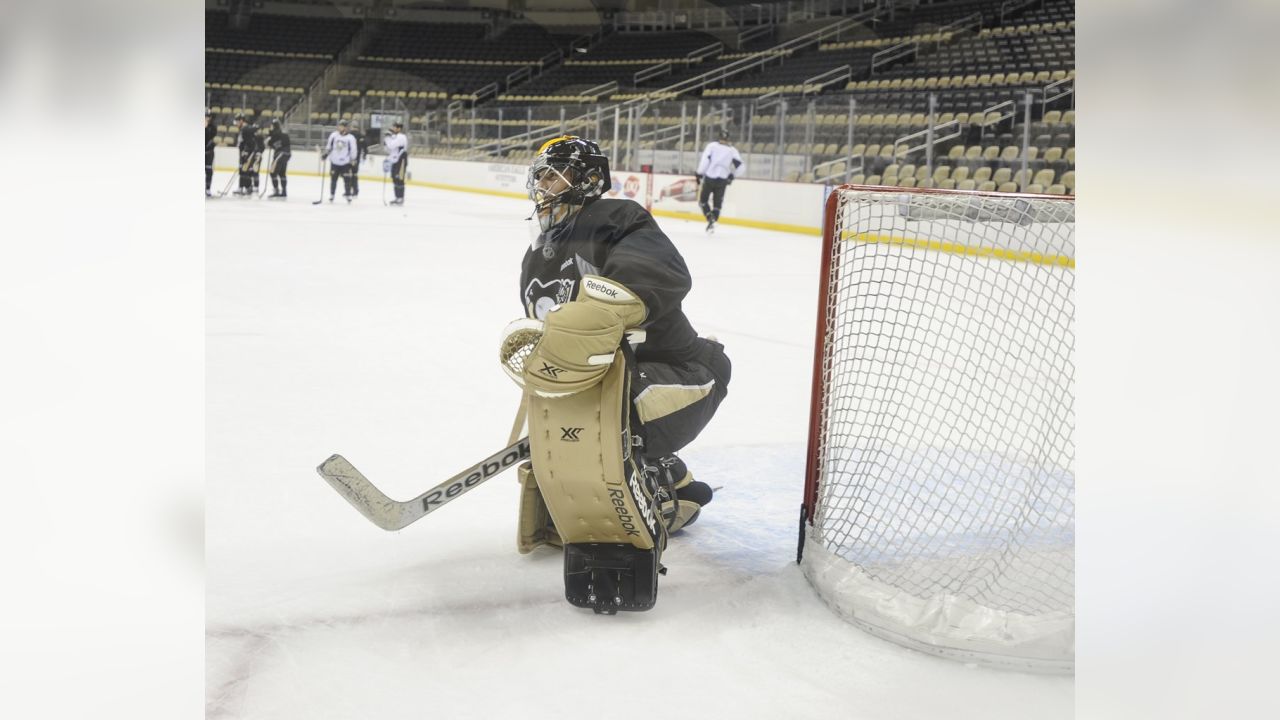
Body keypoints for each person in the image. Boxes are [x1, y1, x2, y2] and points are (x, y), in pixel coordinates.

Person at [520, 135, 729, 532]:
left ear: (586, 179)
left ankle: (652, 483)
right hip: (621, 382)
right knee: (564, 409)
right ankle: (669, 478)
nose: (544, 186)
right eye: (541, 177)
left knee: (603, 413)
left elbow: (656, 270)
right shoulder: (537, 257)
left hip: (686, 372)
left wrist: (603, 311)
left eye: (554, 176)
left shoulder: (615, 219)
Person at [695, 129, 744, 233]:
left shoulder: (712, 146)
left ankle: (710, 218)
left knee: (703, 201)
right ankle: (713, 220)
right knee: (717, 204)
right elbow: (741, 167)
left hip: (709, 178)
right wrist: (732, 176)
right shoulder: (732, 150)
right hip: (722, 180)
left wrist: (699, 173)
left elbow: (705, 161)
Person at [322, 118, 358, 202]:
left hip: (345, 162)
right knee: (333, 179)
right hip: (334, 162)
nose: (339, 128)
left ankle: (348, 194)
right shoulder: (334, 135)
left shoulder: (350, 138)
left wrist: (353, 159)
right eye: (339, 126)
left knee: (347, 180)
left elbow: (353, 150)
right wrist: (325, 154)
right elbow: (329, 146)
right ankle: (332, 194)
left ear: (345, 128)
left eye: (341, 126)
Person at [233, 113, 262, 196]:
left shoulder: (246, 129)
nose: (236, 124)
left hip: (247, 153)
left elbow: (250, 142)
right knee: (243, 170)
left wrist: (246, 152)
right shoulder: (243, 129)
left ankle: (246, 188)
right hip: (244, 152)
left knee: (244, 171)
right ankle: (243, 187)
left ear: (241, 121)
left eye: (237, 122)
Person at [382, 119, 408, 205]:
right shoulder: (394, 137)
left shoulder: (401, 137)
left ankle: (400, 197)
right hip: (395, 160)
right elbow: (389, 149)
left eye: (395, 127)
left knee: (399, 178)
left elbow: (391, 145)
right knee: (394, 177)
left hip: (401, 160)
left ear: (399, 128)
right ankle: (397, 197)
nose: (393, 128)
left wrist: (387, 138)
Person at [265, 118, 291, 199]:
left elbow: (269, 143)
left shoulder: (275, 134)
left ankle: (276, 191)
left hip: (280, 154)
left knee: (272, 173)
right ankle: (284, 191)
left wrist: (269, 136)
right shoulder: (284, 134)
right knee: (282, 173)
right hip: (287, 154)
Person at [348, 122, 366, 198]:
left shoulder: (349, 134)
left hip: (348, 157)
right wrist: (365, 154)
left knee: (348, 174)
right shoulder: (361, 135)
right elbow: (364, 146)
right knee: (354, 174)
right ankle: (355, 191)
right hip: (356, 157)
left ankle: (348, 190)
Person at [205, 108, 216, 197]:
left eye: (208, 116)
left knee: (208, 170)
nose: (207, 118)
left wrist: (206, 127)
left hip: (208, 151)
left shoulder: (212, 127)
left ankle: (208, 188)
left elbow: (211, 135)